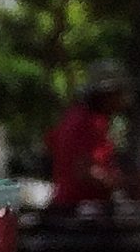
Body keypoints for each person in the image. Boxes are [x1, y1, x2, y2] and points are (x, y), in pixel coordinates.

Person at [45, 67, 128, 207]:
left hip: (76, 205)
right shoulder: (86, 122)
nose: (122, 100)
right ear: (105, 95)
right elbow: (84, 171)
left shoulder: (76, 117)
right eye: (118, 94)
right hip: (79, 208)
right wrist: (124, 183)